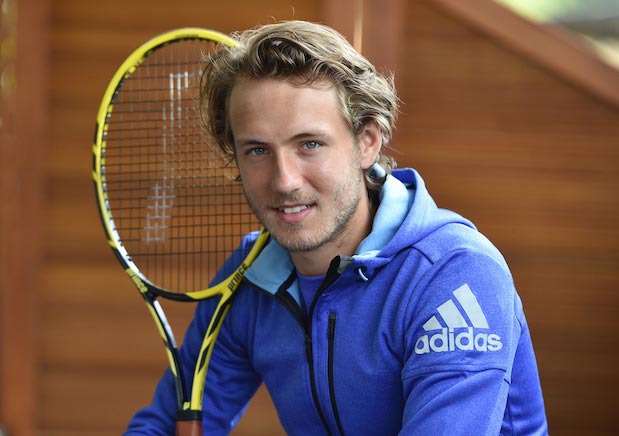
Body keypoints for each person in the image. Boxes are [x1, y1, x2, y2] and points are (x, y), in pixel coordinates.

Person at [125, 20, 548, 435]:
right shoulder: (250, 275)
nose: (284, 180)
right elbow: (163, 425)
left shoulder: (454, 272)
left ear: (367, 142)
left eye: (309, 144)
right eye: (257, 150)